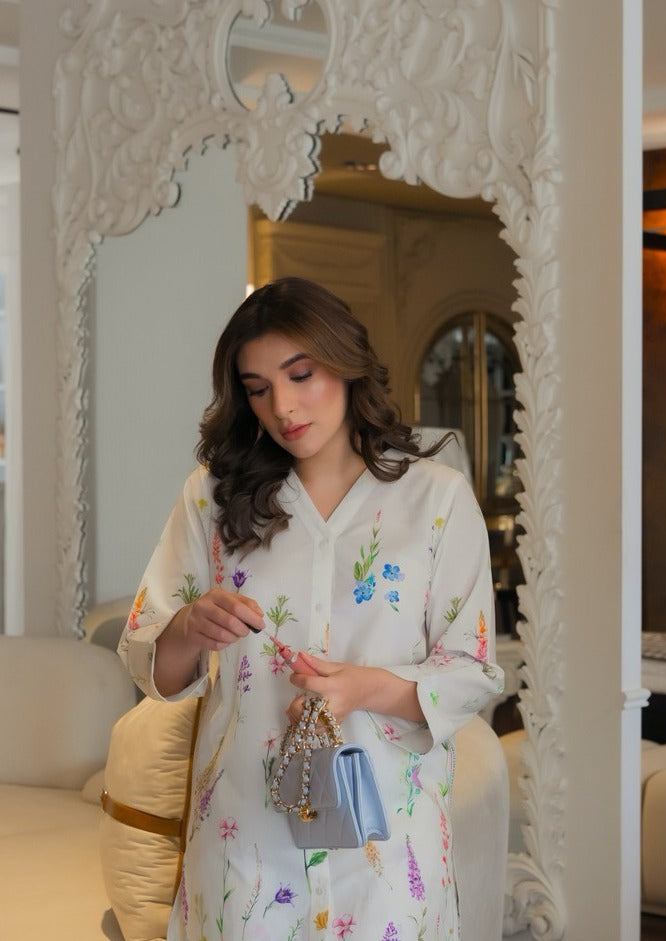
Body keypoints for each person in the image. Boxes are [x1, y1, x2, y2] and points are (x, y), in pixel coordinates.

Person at [119, 277, 505, 941]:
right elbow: (149, 661)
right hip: (245, 846)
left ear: (346, 363)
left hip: (389, 854)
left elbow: (472, 669)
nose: (283, 406)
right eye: (257, 387)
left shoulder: (435, 499)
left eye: (301, 375)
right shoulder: (212, 497)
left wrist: (365, 688)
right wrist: (187, 628)